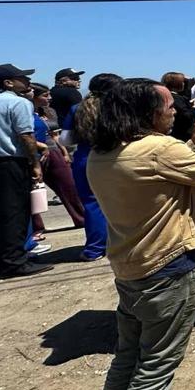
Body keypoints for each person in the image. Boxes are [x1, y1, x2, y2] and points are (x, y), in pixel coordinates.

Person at [86, 78, 195, 390]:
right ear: (148, 114)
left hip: (131, 270)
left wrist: (194, 142)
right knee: (156, 367)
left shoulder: (102, 152)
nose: (174, 113)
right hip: (169, 269)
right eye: (168, 107)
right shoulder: (160, 149)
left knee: (128, 356)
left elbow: (154, 170)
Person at [61, 72, 122, 262]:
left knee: (91, 203)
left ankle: (95, 249)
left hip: (85, 158)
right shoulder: (120, 108)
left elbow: (65, 139)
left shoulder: (77, 108)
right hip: (116, 158)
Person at [0, 64, 50, 279]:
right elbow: (26, 136)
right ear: (8, 82)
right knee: (16, 212)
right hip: (11, 162)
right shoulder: (18, 103)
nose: (27, 82)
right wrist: (35, 163)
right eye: (21, 78)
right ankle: (14, 262)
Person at [30, 83, 85, 228]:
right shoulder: (26, 112)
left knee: (69, 186)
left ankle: (82, 219)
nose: (50, 98)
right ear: (34, 97)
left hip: (54, 151)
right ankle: (36, 228)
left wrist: (64, 152)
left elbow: (55, 135)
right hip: (34, 153)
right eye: (45, 95)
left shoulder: (49, 112)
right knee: (33, 192)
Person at [161, 72, 195, 142]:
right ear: (176, 84)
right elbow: (186, 116)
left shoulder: (163, 96)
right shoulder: (177, 98)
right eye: (182, 82)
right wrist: (194, 107)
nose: (184, 84)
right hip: (182, 134)